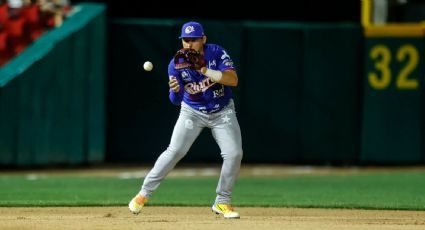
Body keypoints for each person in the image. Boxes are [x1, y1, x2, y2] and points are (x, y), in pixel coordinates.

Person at [129, 21, 243, 219]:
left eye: (194, 40)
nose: (189, 44)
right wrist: (174, 90)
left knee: (234, 154)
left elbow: (233, 80)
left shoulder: (215, 53)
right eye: (186, 40)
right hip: (192, 111)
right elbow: (175, 100)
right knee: (175, 151)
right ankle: (143, 194)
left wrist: (205, 70)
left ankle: (222, 202)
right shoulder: (176, 64)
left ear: (203, 40)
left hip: (222, 111)